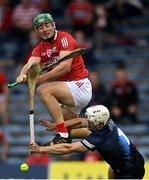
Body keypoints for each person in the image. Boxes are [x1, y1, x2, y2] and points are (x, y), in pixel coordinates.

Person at [16, 13, 92, 145]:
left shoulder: (64, 38)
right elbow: (30, 65)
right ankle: (101, 135)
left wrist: (41, 79)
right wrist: (22, 74)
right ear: (36, 31)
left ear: (53, 25)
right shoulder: (40, 48)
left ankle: (61, 133)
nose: (44, 30)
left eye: (47, 25)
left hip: (79, 85)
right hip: (68, 91)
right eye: (40, 28)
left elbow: (65, 67)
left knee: (43, 90)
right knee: (67, 128)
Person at [29, 105, 145, 179]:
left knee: (114, 170)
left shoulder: (99, 139)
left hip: (129, 173)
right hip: (135, 160)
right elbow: (80, 122)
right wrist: (57, 126)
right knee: (112, 170)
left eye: (91, 121)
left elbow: (68, 149)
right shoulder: (106, 122)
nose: (88, 121)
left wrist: (40, 149)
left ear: (99, 123)